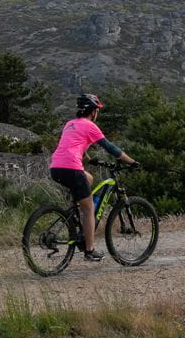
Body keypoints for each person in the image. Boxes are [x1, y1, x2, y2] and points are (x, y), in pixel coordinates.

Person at [49, 93, 138, 262]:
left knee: (88, 178)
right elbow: (110, 147)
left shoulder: (70, 124)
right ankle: (89, 250)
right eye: (97, 110)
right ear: (93, 111)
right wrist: (131, 162)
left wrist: (90, 159)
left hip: (56, 168)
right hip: (71, 168)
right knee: (89, 208)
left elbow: (74, 144)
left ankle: (73, 213)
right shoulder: (90, 125)